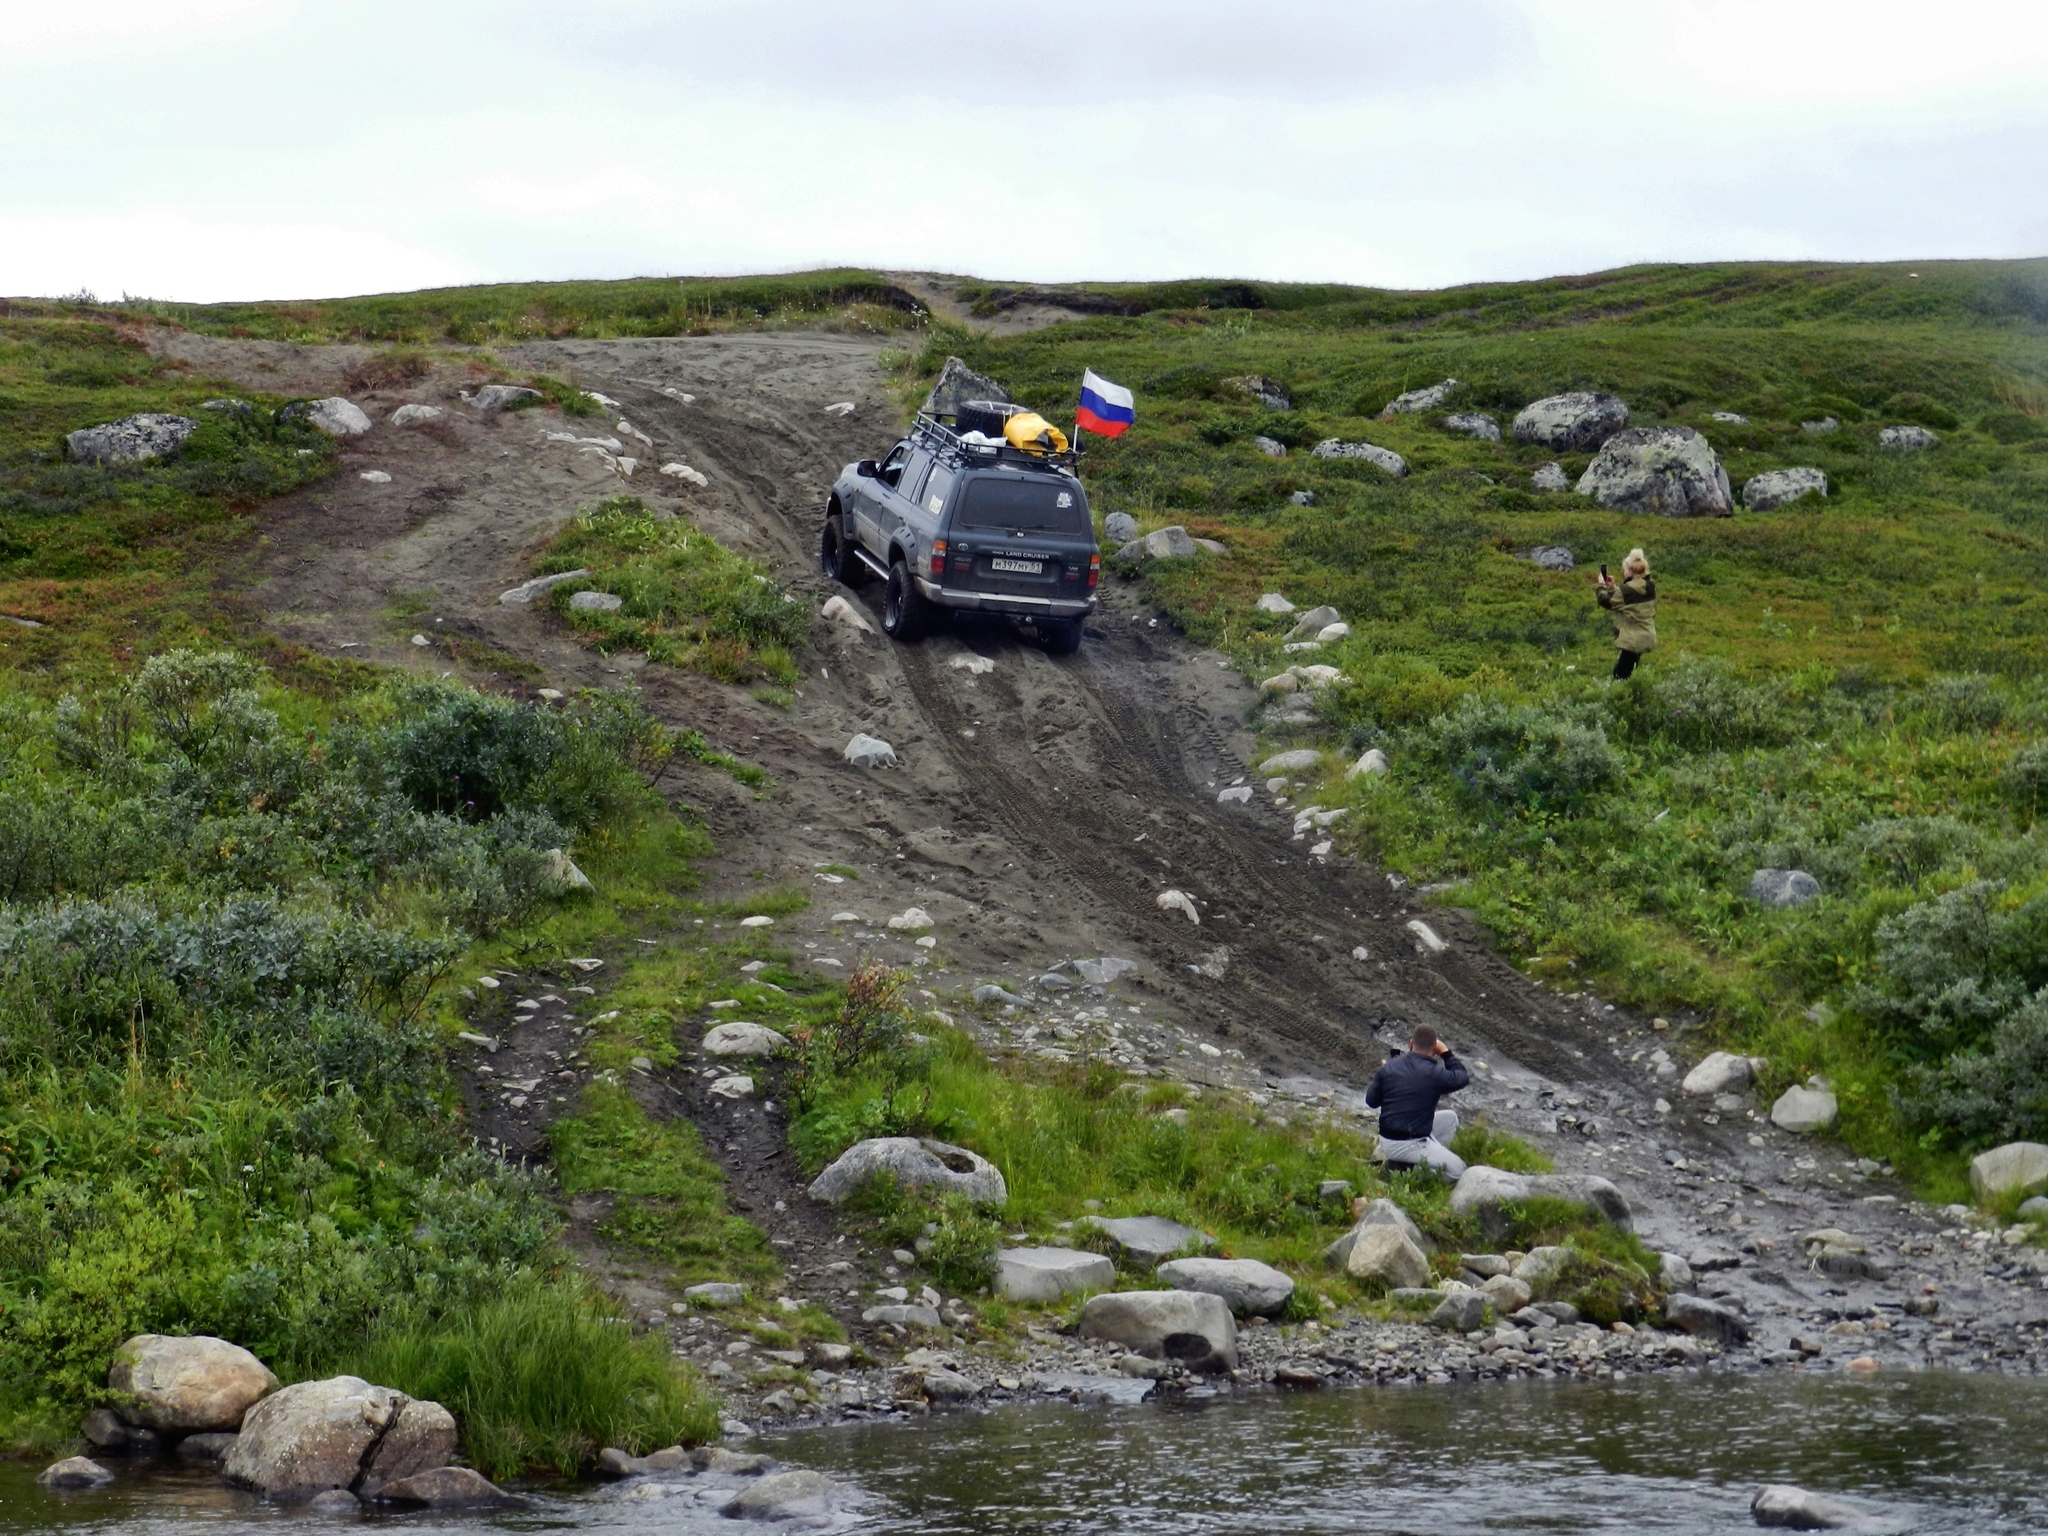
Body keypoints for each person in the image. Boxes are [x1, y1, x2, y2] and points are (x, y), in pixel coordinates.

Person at [1364, 1025, 1470, 1178]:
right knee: (1459, 1170)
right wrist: (1446, 1054)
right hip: (1408, 1142)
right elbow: (1462, 1077)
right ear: (1434, 1047)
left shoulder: (1389, 1067)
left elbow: (1371, 1102)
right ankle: (1408, 1172)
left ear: (1411, 1043)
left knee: (1450, 1118)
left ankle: (1423, 1159)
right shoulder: (1434, 1073)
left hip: (1389, 1137)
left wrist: (1384, 1081)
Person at [1595, 547, 1657, 680]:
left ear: (1630, 572)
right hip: (1646, 636)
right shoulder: (1649, 585)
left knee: (1620, 675)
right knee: (1630, 671)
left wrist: (1601, 585)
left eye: (1625, 569)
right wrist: (1614, 588)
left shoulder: (1626, 591)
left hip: (1632, 640)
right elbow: (1629, 602)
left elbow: (1605, 601)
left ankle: (1624, 698)